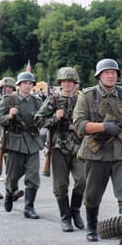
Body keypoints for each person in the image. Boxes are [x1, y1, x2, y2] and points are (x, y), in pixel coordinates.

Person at [72, 57, 122, 242]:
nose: (110, 75)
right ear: (99, 75)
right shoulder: (87, 96)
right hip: (97, 152)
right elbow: (79, 125)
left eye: (113, 72)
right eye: (106, 72)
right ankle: (92, 227)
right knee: (92, 193)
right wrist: (104, 128)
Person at [34, 67, 86, 232]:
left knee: (83, 180)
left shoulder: (82, 100)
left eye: (70, 81)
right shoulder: (52, 100)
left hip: (79, 145)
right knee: (60, 185)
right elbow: (38, 121)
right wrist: (54, 118)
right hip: (58, 146)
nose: (67, 84)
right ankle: (65, 217)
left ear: (75, 83)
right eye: (64, 81)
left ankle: (75, 210)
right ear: (60, 83)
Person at [0, 71, 44, 218]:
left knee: (33, 176)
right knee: (13, 176)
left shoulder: (37, 102)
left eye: (30, 83)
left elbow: (43, 119)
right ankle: (9, 192)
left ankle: (29, 207)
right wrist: (9, 116)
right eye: (25, 83)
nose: (27, 85)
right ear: (19, 85)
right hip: (15, 141)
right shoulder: (9, 100)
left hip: (32, 141)